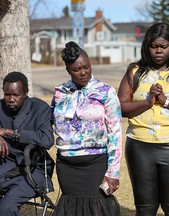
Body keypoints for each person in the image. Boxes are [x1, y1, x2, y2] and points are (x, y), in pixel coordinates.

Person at [118, 22, 169, 215]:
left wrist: (166, 100)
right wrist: (148, 102)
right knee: (145, 208)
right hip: (139, 146)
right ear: (146, 47)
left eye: (163, 46)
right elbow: (120, 106)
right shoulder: (135, 72)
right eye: (154, 47)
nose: (158, 51)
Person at [52, 41, 122, 216]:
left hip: (95, 161)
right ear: (68, 70)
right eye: (77, 69)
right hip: (66, 164)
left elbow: (115, 133)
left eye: (87, 67)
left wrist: (113, 172)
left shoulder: (106, 92)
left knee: (96, 207)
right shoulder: (60, 92)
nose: (83, 72)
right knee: (72, 208)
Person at [0, 71, 54, 215]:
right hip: (5, 167)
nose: (10, 99)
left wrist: (10, 132)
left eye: (15, 95)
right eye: (7, 95)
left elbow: (47, 139)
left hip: (33, 169)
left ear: (25, 93)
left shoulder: (39, 108)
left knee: (6, 207)